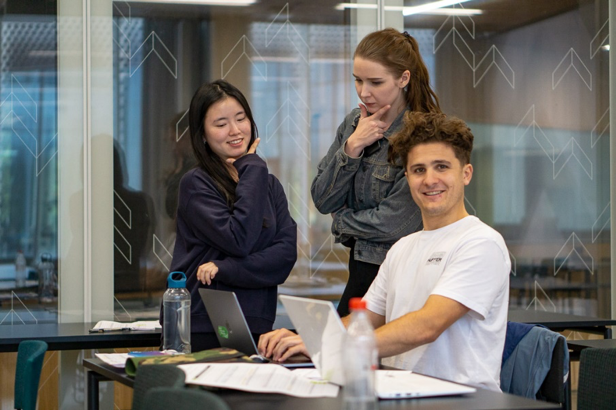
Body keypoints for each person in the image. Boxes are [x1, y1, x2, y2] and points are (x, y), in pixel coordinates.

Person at [259, 112, 510, 391]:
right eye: (418, 170)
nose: (429, 180)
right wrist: (307, 338)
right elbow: (364, 320)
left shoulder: (481, 242)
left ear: (466, 174)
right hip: (400, 391)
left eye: (441, 167)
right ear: (407, 177)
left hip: (464, 399)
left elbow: (428, 325)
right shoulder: (403, 247)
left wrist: (329, 344)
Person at [311, 28, 441, 316]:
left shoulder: (424, 134)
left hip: (405, 273)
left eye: (375, 82)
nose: (363, 91)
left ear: (403, 78)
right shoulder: (354, 124)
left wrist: (341, 221)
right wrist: (353, 146)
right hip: (361, 265)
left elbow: (394, 224)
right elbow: (322, 199)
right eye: (358, 80)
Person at [164, 80, 298, 352]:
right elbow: (239, 238)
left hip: (257, 321)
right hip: (206, 322)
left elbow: (284, 256)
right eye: (221, 123)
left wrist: (226, 268)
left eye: (241, 118)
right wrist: (252, 168)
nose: (235, 131)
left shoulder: (268, 185)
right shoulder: (196, 184)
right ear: (202, 134)